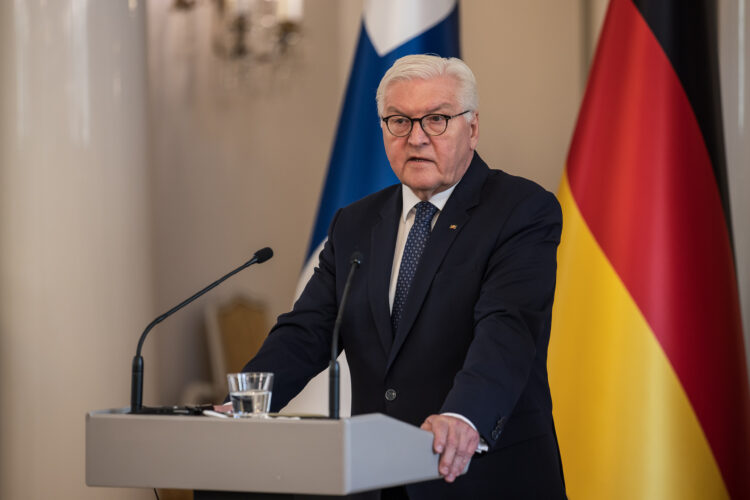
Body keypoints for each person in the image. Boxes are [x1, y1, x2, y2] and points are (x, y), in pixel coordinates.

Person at [241, 54, 566, 499]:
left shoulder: (521, 210)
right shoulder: (355, 223)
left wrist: (463, 417)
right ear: (383, 129)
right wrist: (242, 407)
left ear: (472, 128)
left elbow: (506, 330)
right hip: (378, 478)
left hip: (478, 476)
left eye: (436, 119)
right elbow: (308, 332)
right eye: (399, 121)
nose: (416, 138)